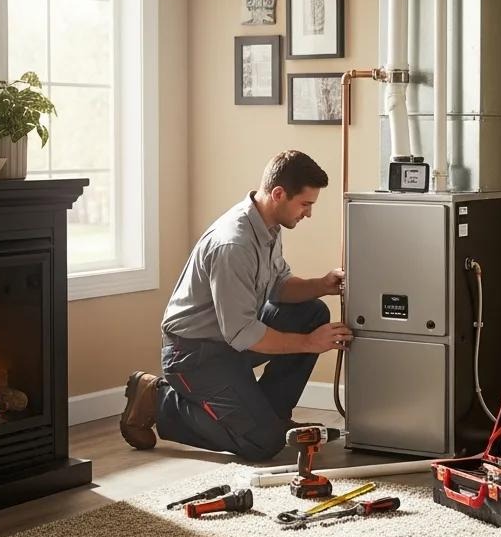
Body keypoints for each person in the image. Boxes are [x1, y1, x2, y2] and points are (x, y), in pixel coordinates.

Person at [119, 150, 352, 460]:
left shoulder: (268, 227)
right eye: (305, 204)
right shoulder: (234, 244)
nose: (307, 214)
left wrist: (322, 285)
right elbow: (244, 332)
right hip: (195, 355)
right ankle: (157, 400)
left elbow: (279, 287)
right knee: (264, 443)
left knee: (312, 312)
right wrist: (309, 343)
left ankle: (271, 415)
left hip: (229, 342)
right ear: (279, 194)